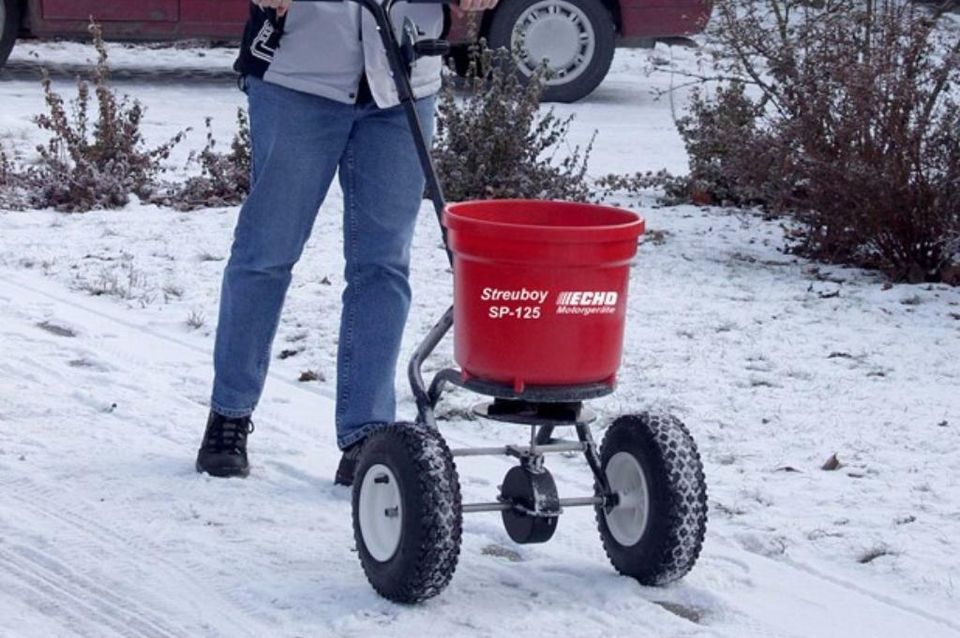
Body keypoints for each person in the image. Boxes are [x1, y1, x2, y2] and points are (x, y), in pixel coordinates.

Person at [195, 0, 496, 483]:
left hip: (402, 82)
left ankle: (368, 434)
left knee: (384, 266)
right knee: (265, 255)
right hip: (297, 77)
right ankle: (229, 414)